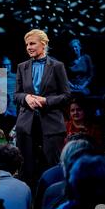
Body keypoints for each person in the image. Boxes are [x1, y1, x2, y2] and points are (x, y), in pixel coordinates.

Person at [14, 29, 71, 189]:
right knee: (26, 167)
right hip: (26, 124)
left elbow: (66, 96)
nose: (29, 47)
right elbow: (16, 95)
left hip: (51, 124)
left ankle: (51, 202)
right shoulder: (22, 67)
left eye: (32, 43)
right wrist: (26, 98)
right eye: (27, 44)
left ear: (43, 44)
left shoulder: (57, 66)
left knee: (52, 167)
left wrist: (46, 101)